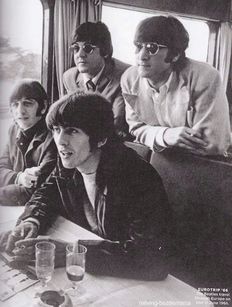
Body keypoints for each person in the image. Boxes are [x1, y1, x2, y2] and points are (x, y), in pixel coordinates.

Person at [2, 91, 171, 280]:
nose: (60, 141)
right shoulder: (69, 162)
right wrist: (31, 221)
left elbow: (152, 259)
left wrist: (72, 252)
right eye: (57, 129)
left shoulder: (137, 176)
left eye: (72, 131)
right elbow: (46, 194)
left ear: (101, 138)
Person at [121, 15, 232, 156]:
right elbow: (136, 128)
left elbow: (211, 144)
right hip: (164, 159)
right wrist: (165, 135)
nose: (141, 55)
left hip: (217, 163)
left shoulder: (205, 77)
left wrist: (152, 136)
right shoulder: (130, 79)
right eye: (138, 46)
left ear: (175, 55)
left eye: (152, 48)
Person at [63, 21, 130, 139]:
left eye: (88, 48)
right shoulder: (69, 78)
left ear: (105, 52)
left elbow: (116, 123)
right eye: (76, 48)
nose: (80, 54)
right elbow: (67, 117)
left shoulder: (124, 77)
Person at [0, 79, 57, 206]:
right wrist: (19, 177)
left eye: (27, 103)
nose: (20, 111)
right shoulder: (13, 130)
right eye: (15, 104)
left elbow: (35, 189)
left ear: (43, 106)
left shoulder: (54, 137)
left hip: (43, 209)